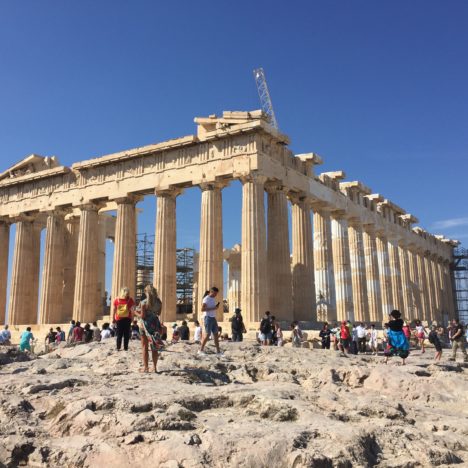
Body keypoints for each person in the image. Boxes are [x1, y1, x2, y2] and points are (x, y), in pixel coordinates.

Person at [134, 284, 163, 373]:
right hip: (155, 325)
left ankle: (146, 368)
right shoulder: (159, 302)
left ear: (147, 292)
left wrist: (134, 312)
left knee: (144, 347)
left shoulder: (143, 303)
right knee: (155, 347)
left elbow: (143, 316)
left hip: (145, 326)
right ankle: (154, 367)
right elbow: (158, 314)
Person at [198, 286, 222, 355]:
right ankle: (200, 350)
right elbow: (202, 309)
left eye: (216, 294)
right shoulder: (206, 299)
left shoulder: (212, 299)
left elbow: (212, 308)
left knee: (216, 334)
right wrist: (213, 308)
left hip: (213, 317)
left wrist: (215, 308)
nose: (215, 295)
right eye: (215, 293)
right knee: (207, 334)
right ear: (211, 292)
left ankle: (218, 352)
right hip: (207, 317)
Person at [113, 287, 135, 351]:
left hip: (119, 318)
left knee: (119, 334)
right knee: (126, 334)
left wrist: (113, 318)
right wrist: (132, 319)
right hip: (127, 318)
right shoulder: (130, 300)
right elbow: (132, 310)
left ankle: (118, 347)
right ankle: (125, 348)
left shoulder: (117, 300)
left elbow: (114, 310)